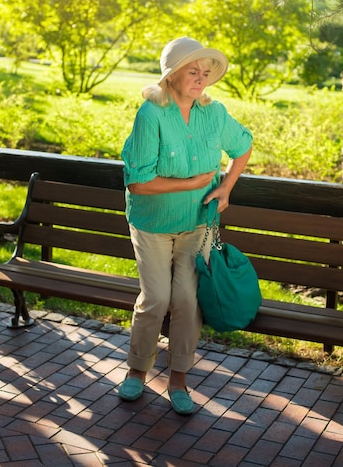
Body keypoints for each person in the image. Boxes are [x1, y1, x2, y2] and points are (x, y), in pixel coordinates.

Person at [119, 36, 253, 415]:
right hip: (153, 224)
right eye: (193, 71)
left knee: (186, 301)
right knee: (157, 297)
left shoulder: (215, 113)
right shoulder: (151, 114)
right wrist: (192, 184)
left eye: (205, 72)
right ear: (172, 75)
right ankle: (136, 372)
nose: (201, 78)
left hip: (197, 224)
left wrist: (225, 188)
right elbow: (138, 182)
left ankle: (178, 379)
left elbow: (243, 145)